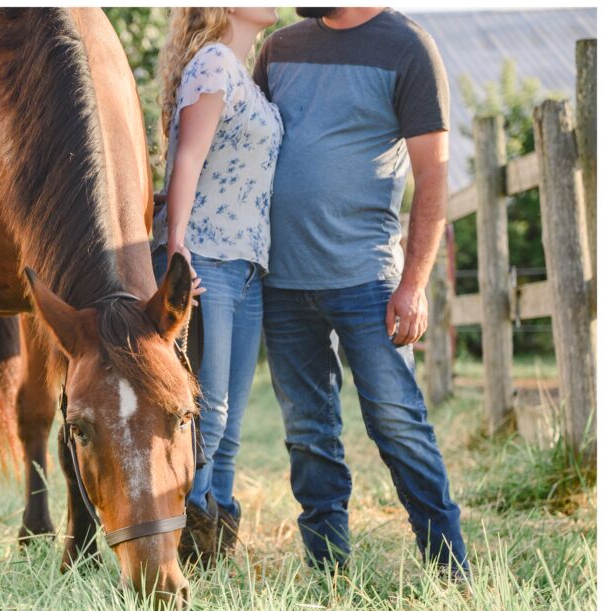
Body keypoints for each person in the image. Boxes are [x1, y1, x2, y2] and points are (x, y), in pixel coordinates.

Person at [253, 7, 469, 576]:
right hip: (282, 281)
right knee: (307, 433)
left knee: (398, 421)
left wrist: (414, 284)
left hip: (368, 279)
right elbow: (243, 143)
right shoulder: (278, 49)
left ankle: (450, 570)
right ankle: (328, 572)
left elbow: (434, 177)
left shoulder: (409, 48)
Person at [153, 7, 283, 566]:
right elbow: (187, 158)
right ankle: (185, 530)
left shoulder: (240, 71)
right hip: (208, 256)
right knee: (211, 411)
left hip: (248, 264)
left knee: (230, 417)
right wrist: (178, 247)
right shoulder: (213, 64)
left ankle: (216, 531)